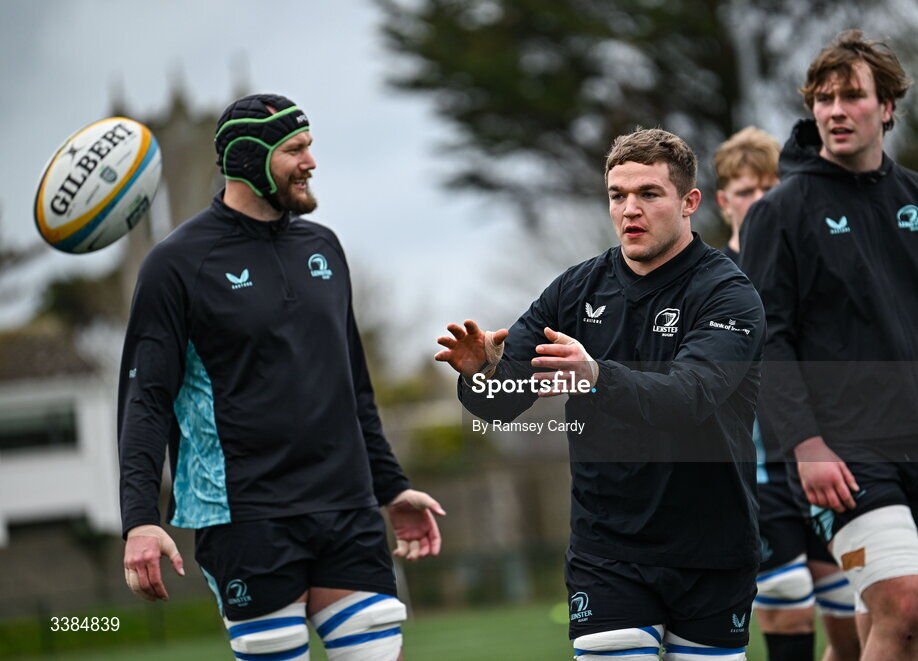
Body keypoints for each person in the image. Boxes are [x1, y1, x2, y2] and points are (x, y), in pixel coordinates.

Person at [118, 93, 445, 661]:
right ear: (248, 158)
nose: (311, 161)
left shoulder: (324, 247)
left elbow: (355, 389)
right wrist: (139, 520)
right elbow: (145, 401)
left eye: (309, 146)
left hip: (345, 506)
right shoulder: (175, 265)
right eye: (295, 150)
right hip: (246, 515)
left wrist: (390, 488)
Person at [741, 31, 918, 661]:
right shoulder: (780, 213)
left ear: (887, 106)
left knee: (891, 628)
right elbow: (768, 341)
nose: (836, 110)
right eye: (824, 98)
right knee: (905, 601)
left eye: (853, 96)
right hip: (838, 452)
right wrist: (804, 445)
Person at [436, 128, 765, 660]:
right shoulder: (574, 290)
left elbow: (688, 399)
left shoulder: (728, 294)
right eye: (618, 195)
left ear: (689, 203)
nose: (629, 209)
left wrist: (594, 375)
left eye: (649, 194)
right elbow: (501, 400)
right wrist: (478, 373)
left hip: (711, 545)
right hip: (607, 549)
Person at [715, 127, 860, 661]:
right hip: (755, 474)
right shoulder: (708, 278)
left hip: (821, 458)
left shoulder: (804, 265)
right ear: (724, 199)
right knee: (788, 601)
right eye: (745, 191)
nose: (757, 202)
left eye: (767, 189)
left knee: (849, 629)